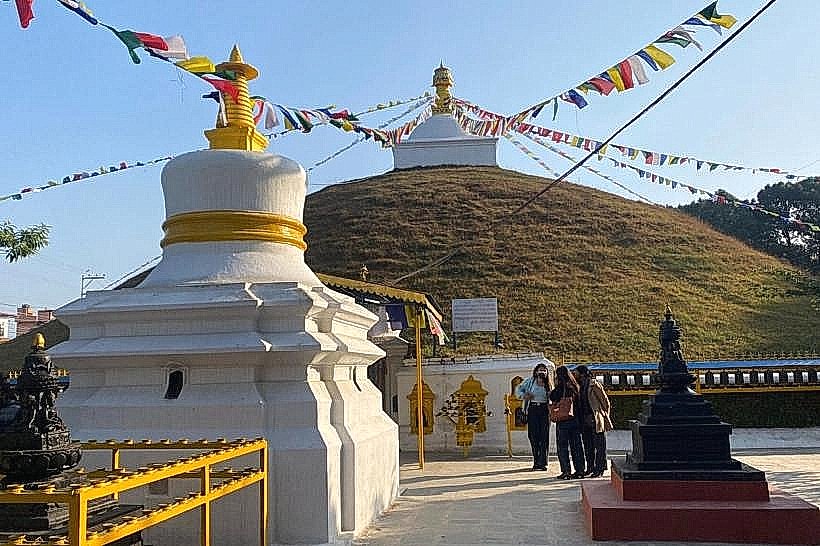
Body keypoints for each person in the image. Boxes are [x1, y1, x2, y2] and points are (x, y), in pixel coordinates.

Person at [575, 365, 613, 478]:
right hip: (584, 419)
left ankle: (600, 468)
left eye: (576, 373)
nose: (574, 375)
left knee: (599, 446)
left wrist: (604, 415)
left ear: (582, 374)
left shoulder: (593, 384)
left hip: (595, 418)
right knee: (588, 445)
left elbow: (605, 401)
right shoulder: (579, 386)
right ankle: (590, 467)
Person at [515, 362, 552, 471]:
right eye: (540, 370)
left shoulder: (548, 383)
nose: (542, 372)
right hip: (533, 409)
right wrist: (524, 395)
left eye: (544, 370)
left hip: (544, 410)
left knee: (544, 436)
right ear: (536, 371)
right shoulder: (530, 381)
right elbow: (518, 389)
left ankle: (543, 462)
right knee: (533, 436)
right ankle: (536, 461)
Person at [550, 366, 585, 479]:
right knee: (577, 447)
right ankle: (580, 470)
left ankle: (566, 471)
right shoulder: (575, 387)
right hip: (574, 421)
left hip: (563, 421)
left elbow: (552, 396)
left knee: (563, 447)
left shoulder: (559, 388)